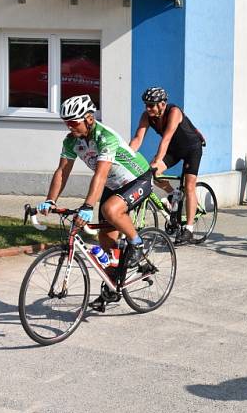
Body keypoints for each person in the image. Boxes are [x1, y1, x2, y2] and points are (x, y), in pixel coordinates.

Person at [37, 95, 153, 311]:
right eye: (66, 123)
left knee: (110, 210)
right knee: (106, 242)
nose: (69, 127)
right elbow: (62, 171)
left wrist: (88, 206)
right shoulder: (71, 141)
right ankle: (111, 288)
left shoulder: (105, 137)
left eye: (73, 122)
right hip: (114, 184)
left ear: (88, 119)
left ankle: (137, 243)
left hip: (138, 179)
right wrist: (50, 200)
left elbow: (100, 175)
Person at [129, 86, 205, 245]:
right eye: (146, 105)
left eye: (151, 105)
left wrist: (157, 160)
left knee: (189, 186)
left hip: (192, 149)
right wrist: (127, 156)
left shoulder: (174, 112)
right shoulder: (146, 116)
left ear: (162, 104)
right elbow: (138, 138)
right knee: (150, 173)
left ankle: (189, 230)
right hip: (174, 151)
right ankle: (173, 193)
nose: (148, 108)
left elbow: (166, 138)